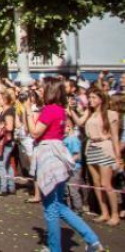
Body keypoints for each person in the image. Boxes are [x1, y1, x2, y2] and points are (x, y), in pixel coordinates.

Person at [26, 81, 103, 252]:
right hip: (59, 155)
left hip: (49, 156)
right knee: (59, 204)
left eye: (43, 89)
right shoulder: (61, 110)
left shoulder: (50, 110)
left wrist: (28, 115)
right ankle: (92, 240)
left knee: (51, 208)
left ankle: (56, 248)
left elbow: (35, 132)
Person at [68, 85, 122, 225]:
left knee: (106, 184)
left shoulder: (111, 114)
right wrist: (72, 110)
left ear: (101, 99)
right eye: (89, 97)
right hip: (91, 148)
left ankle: (114, 214)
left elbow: (115, 137)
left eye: (93, 97)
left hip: (105, 148)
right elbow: (79, 122)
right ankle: (104, 212)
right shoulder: (89, 112)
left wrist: (118, 156)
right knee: (96, 184)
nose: (90, 100)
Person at [0, 89, 16, 196]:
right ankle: (11, 186)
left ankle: (3, 188)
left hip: (7, 141)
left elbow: (10, 127)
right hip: (3, 141)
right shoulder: (3, 110)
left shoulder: (9, 111)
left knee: (0, 164)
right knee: (7, 164)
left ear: (5, 100)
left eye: (1, 99)